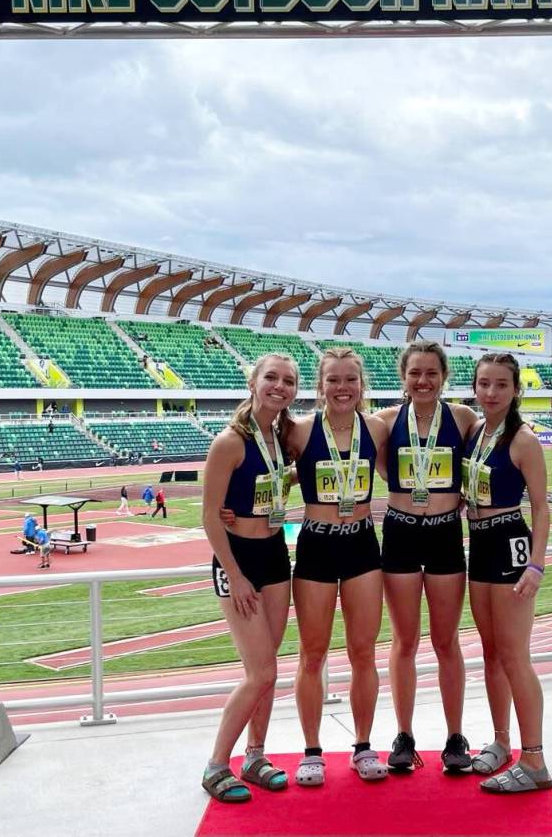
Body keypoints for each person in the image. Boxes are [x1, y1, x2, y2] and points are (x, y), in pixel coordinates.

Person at [200, 353, 299, 804]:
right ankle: (217, 764)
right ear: (254, 383)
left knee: (268, 671)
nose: (280, 387)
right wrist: (235, 576)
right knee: (260, 671)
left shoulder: (279, 437)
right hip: (238, 560)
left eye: (289, 381)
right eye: (272, 379)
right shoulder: (230, 442)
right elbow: (208, 516)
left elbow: (276, 481)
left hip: (276, 555)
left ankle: (256, 756)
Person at [290, 348, 391, 787]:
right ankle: (312, 750)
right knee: (312, 654)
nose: (343, 388)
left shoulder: (377, 428)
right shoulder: (298, 431)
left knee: (363, 652)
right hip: (316, 544)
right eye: (333, 380)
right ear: (320, 385)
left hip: (362, 546)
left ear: (361, 384)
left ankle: (363, 746)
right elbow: (261, 466)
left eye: (351, 379)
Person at [376, 340, 478, 774]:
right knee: (404, 641)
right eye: (415, 373)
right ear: (404, 377)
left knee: (445, 641)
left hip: (444, 535)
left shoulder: (463, 418)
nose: (423, 381)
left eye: (432, 373)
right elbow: (372, 463)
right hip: (400, 531)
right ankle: (405, 735)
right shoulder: (383, 422)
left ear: (444, 377)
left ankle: (455, 736)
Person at [464, 353, 552, 793]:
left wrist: (536, 564)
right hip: (478, 544)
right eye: (484, 384)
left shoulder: (523, 440)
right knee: (490, 652)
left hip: (510, 543)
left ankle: (533, 759)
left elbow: (540, 507)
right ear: (475, 387)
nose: (492, 392)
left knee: (515, 654)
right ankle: (500, 742)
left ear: (515, 389)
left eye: (501, 385)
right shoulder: (476, 432)